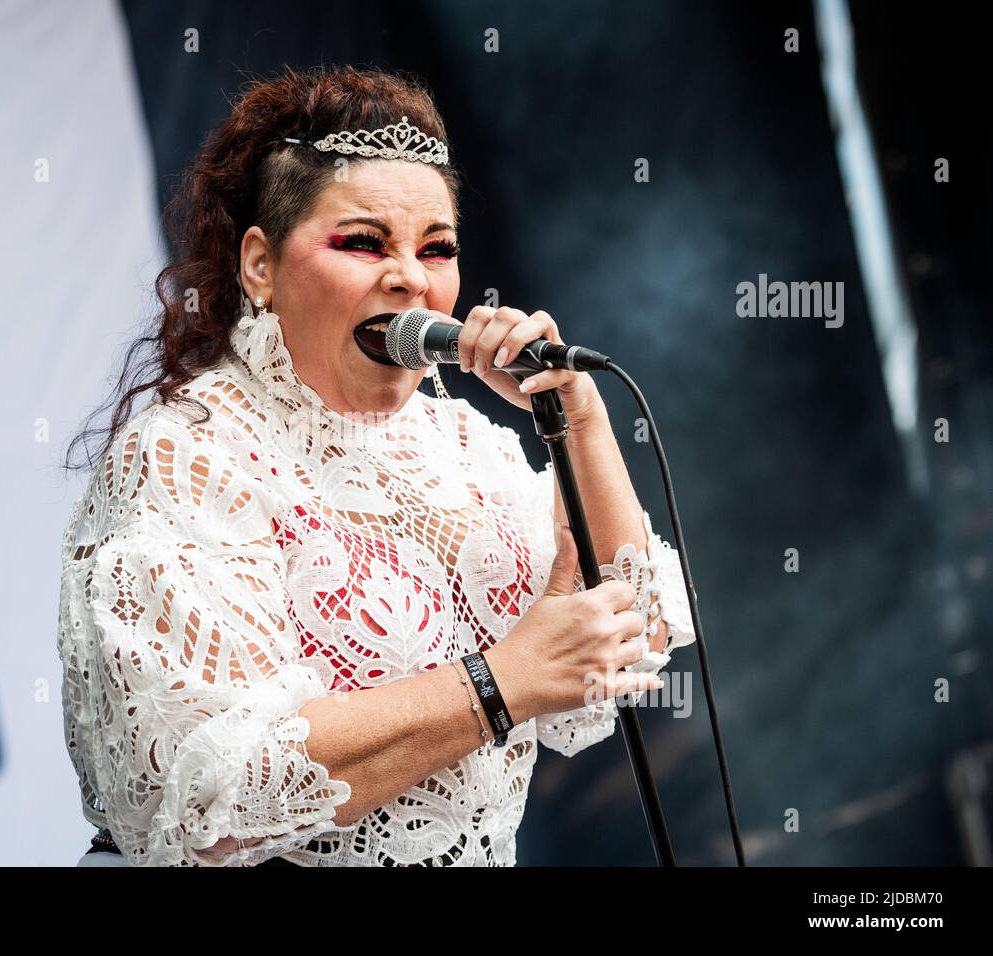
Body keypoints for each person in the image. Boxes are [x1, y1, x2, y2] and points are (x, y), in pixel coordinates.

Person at [57, 64, 695, 867]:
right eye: (363, 243)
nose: (410, 277)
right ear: (260, 265)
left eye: (437, 249)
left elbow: (630, 635)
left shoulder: (469, 446)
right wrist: (501, 683)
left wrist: (576, 417)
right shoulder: (187, 450)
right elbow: (213, 798)